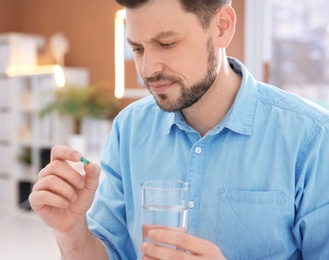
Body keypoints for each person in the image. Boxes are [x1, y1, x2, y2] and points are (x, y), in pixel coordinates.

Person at [29, 0, 329, 259]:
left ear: (222, 26)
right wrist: (71, 232)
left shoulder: (312, 137)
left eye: (167, 43)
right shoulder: (129, 128)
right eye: (137, 48)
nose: (147, 69)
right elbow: (112, 253)